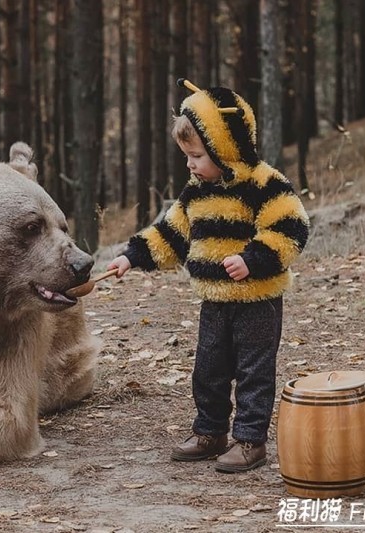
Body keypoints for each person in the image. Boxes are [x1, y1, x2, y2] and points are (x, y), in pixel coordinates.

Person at [107, 79, 310, 473]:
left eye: (197, 155)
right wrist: (132, 257)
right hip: (214, 300)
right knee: (209, 368)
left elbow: (291, 228)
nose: (190, 164)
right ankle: (210, 431)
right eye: (186, 156)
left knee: (253, 371)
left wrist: (254, 258)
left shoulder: (264, 184)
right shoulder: (195, 193)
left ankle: (250, 440)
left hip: (257, 300)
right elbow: (170, 233)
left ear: (225, 147)